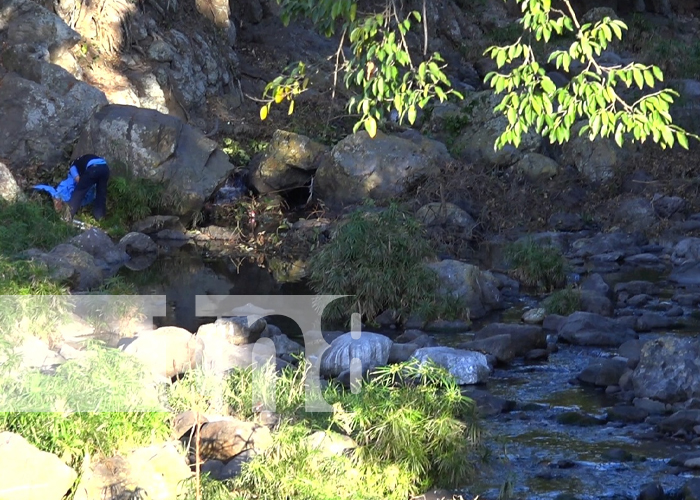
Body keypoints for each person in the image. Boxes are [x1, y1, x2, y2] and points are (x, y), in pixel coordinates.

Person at [34, 154, 110, 222]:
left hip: (94, 168)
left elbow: (78, 180)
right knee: (101, 194)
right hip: (105, 169)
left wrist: (81, 183)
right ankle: (100, 217)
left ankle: (68, 217)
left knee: (78, 192)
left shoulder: (74, 165)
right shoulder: (84, 159)